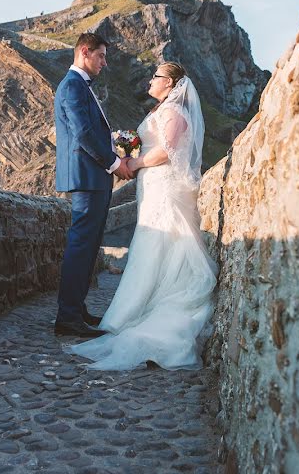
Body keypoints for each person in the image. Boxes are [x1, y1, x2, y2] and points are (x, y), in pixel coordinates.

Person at [69, 62, 217, 369]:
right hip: (152, 187)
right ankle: (136, 307)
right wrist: (127, 150)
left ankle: (153, 311)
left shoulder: (174, 112)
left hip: (165, 187)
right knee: (151, 244)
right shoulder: (160, 111)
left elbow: (168, 151)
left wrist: (133, 164)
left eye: (157, 76)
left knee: (164, 245)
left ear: (171, 84)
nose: (151, 80)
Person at [53, 32, 134, 338]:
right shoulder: (73, 86)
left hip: (93, 176)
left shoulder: (80, 86)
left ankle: (77, 309)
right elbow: (84, 134)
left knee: (88, 247)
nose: (104, 62)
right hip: (87, 176)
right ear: (84, 52)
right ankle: (67, 317)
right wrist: (115, 164)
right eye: (101, 56)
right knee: (80, 246)